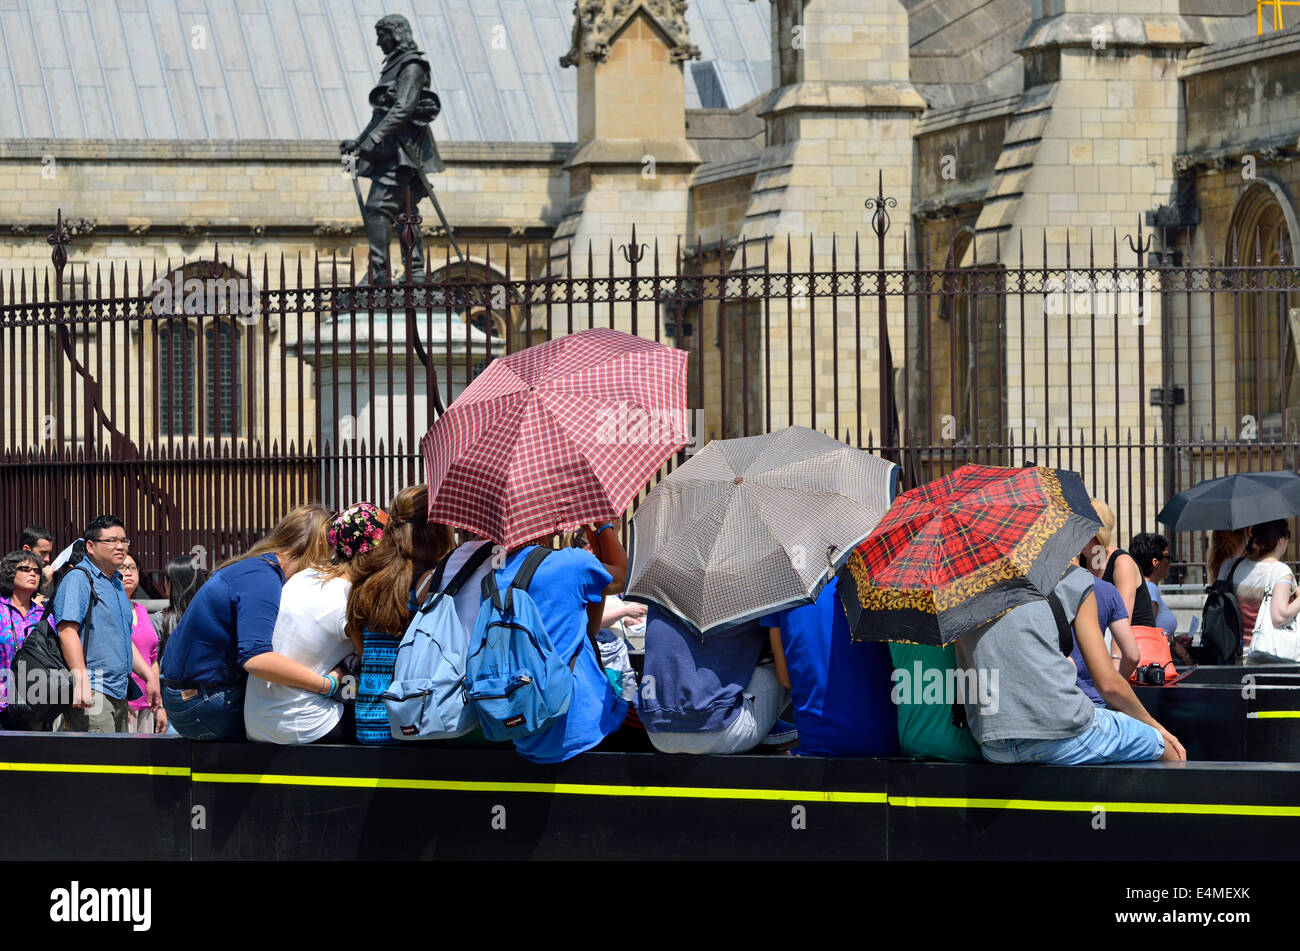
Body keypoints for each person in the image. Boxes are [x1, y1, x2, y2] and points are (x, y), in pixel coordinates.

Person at [956, 565, 1187, 765]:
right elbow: (1108, 684)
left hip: (994, 744)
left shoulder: (963, 588)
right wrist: (1156, 727)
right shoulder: (1073, 578)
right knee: (1168, 748)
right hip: (1063, 730)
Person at [160, 505, 334, 741]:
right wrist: (327, 685)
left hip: (184, 698)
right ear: (321, 546)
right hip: (203, 703)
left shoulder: (251, 567)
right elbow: (257, 658)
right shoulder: (262, 578)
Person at [479, 522, 628, 763]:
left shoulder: (494, 577)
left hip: (524, 725)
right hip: (581, 725)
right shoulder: (571, 563)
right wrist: (603, 527)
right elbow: (620, 576)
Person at [245, 504, 385, 744]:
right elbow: (369, 661)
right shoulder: (351, 598)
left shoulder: (304, 576)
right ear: (370, 551)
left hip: (256, 721)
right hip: (301, 724)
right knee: (379, 722)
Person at [348, 486, 454, 745]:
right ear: (439, 529)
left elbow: (358, 643)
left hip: (368, 721)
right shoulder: (436, 579)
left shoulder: (368, 575)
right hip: (414, 721)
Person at [760, 576, 899, 757]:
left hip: (817, 746)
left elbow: (785, 678)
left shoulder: (781, 578)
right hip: (887, 743)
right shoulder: (882, 569)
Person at [51, 516, 161, 733]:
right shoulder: (79, 578)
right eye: (111, 540)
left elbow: (123, 639)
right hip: (93, 691)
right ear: (91, 546)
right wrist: (81, 681)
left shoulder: (116, 584)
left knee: (117, 763)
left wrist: (149, 677)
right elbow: (67, 631)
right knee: (98, 762)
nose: (120, 546)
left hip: (120, 692)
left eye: (124, 540)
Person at [638, 607, 781, 755]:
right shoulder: (752, 598)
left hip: (656, 732)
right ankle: (779, 729)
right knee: (784, 655)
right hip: (720, 732)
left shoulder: (659, 595)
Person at [1221, 519, 1300, 652]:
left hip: (1238, 651)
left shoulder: (1237, 566)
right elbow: (1279, 616)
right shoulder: (1280, 571)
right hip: (1267, 653)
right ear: (1281, 540)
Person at [1080, 498, 1156, 628]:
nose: (1079, 539)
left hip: (1133, 642)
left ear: (1099, 534)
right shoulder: (1081, 561)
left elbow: (1123, 621)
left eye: (1085, 533)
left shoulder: (1121, 563)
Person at [1068, 576, 1137, 704]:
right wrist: (1117, 682)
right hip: (1097, 699)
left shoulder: (1040, 590)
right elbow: (1132, 655)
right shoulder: (1106, 589)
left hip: (1059, 701)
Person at [120, 553, 166, 735]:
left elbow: (152, 658)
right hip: (124, 702)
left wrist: (160, 704)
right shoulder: (109, 610)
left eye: (133, 568)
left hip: (147, 704)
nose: (129, 572)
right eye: (122, 568)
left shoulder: (142, 610)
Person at [0, 550, 46, 725]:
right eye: (26, 569)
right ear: (10, 572)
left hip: (35, 704)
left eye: (37, 570)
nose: (33, 573)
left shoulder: (45, 615)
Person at [153, 555, 211, 661]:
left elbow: (152, 660)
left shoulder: (162, 619)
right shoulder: (210, 616)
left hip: (168, 677)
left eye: (165, 580)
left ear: (171, 584)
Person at [1130, 532, 1178, 637]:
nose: (1170, 563)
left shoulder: (1141, 586)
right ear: (1155, 562)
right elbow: (1147, 632)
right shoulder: (1150, 589)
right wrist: (1175, 645)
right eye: (1168, 558)